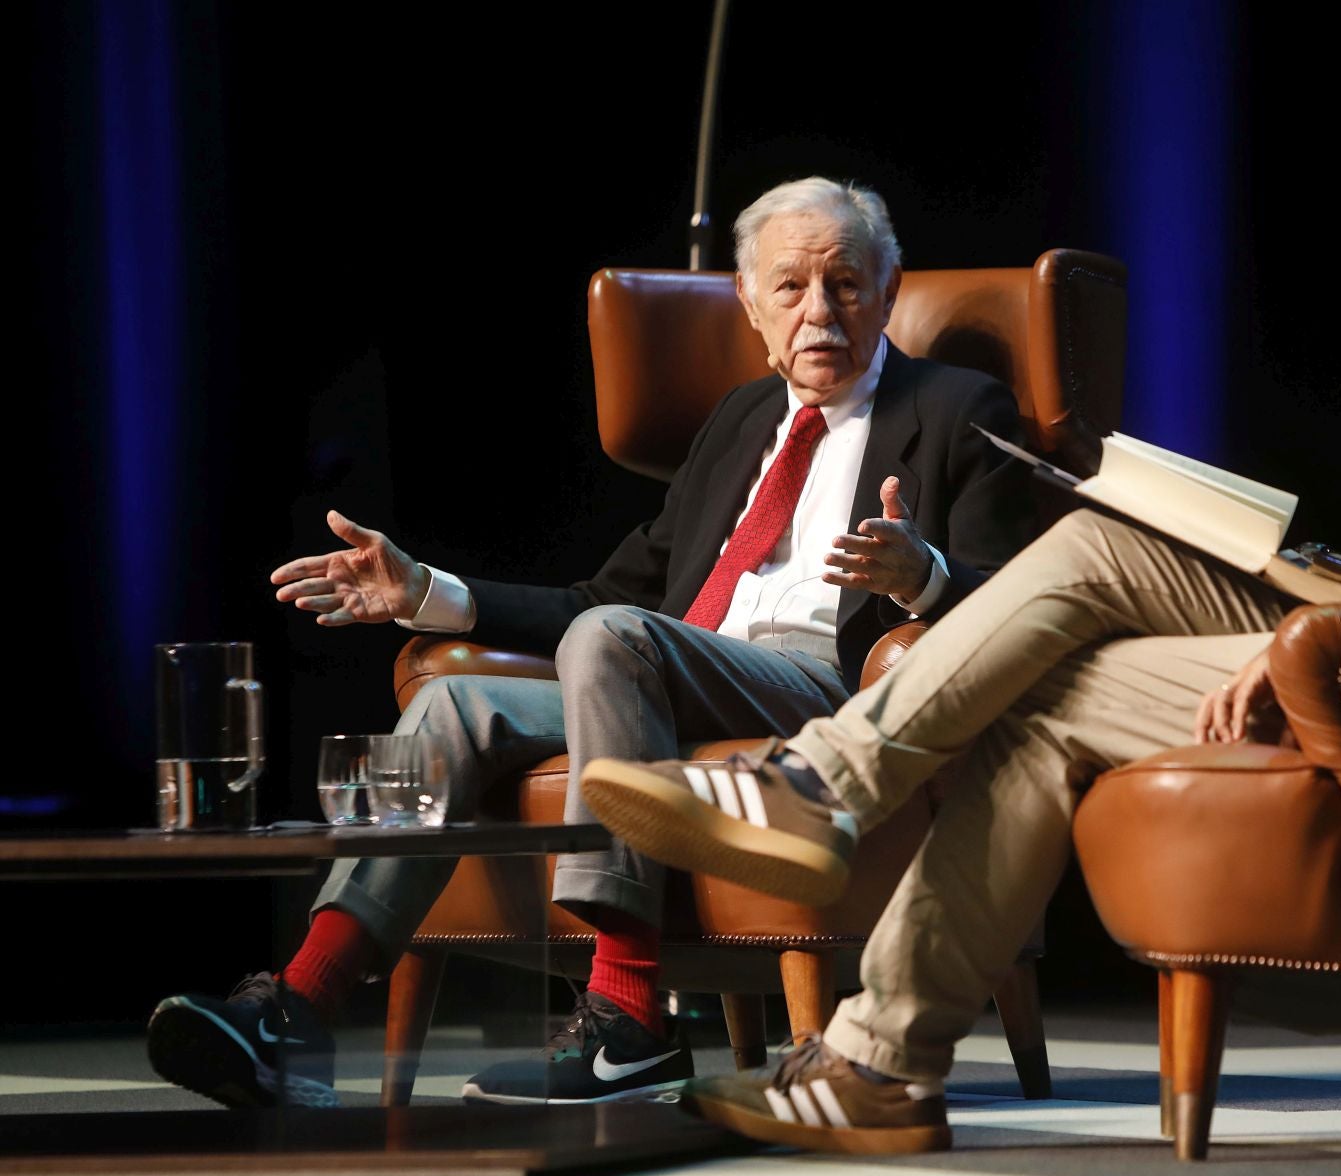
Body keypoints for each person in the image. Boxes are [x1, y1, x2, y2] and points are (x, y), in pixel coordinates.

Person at [576, 46, 1341, 1154]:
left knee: (1060, 643)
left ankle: (835, 852)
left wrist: (1335, 628)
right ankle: (866, 1012)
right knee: (1096, 567)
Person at [144, 177, 1038, 1109]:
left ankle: (631, 1012)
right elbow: (605, 598)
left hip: (832, 696)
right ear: (749, 304)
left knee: (615, 643)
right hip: (664, 682)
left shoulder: (958, 408)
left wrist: (920, 575)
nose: (820, 311)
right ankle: (301, 1007)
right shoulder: (739, 423)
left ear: (889, 293)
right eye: (790, 287)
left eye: (847, 285)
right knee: (456, 696)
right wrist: (427, 593)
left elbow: (1017, 596)